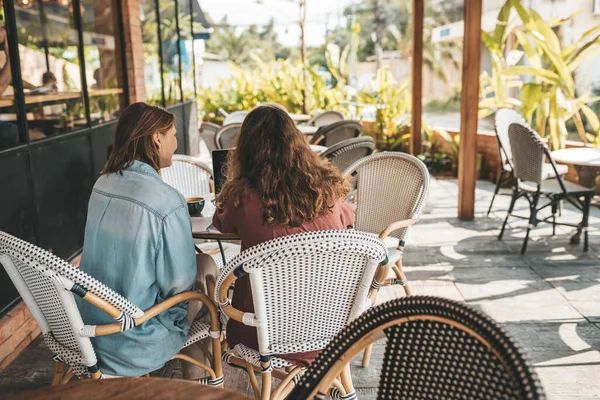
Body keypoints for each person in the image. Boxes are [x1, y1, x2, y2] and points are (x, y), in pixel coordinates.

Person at [212, 104, 355, 365]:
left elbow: (222, 225)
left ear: (245, 148)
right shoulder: (329, 189)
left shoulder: (240, 196)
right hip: (331, 328)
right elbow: (348, 223)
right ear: (297, 141)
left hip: (265, 334)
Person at [76, 102, 209, 377]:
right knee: (207, 278)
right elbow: (179, 286)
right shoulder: (167, 201)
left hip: (88, 332)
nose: (176, 141)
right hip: (133, 341)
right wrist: (175, 323)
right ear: (156, 138)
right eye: (172, 133)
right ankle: (200, 385)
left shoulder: (101, 183)